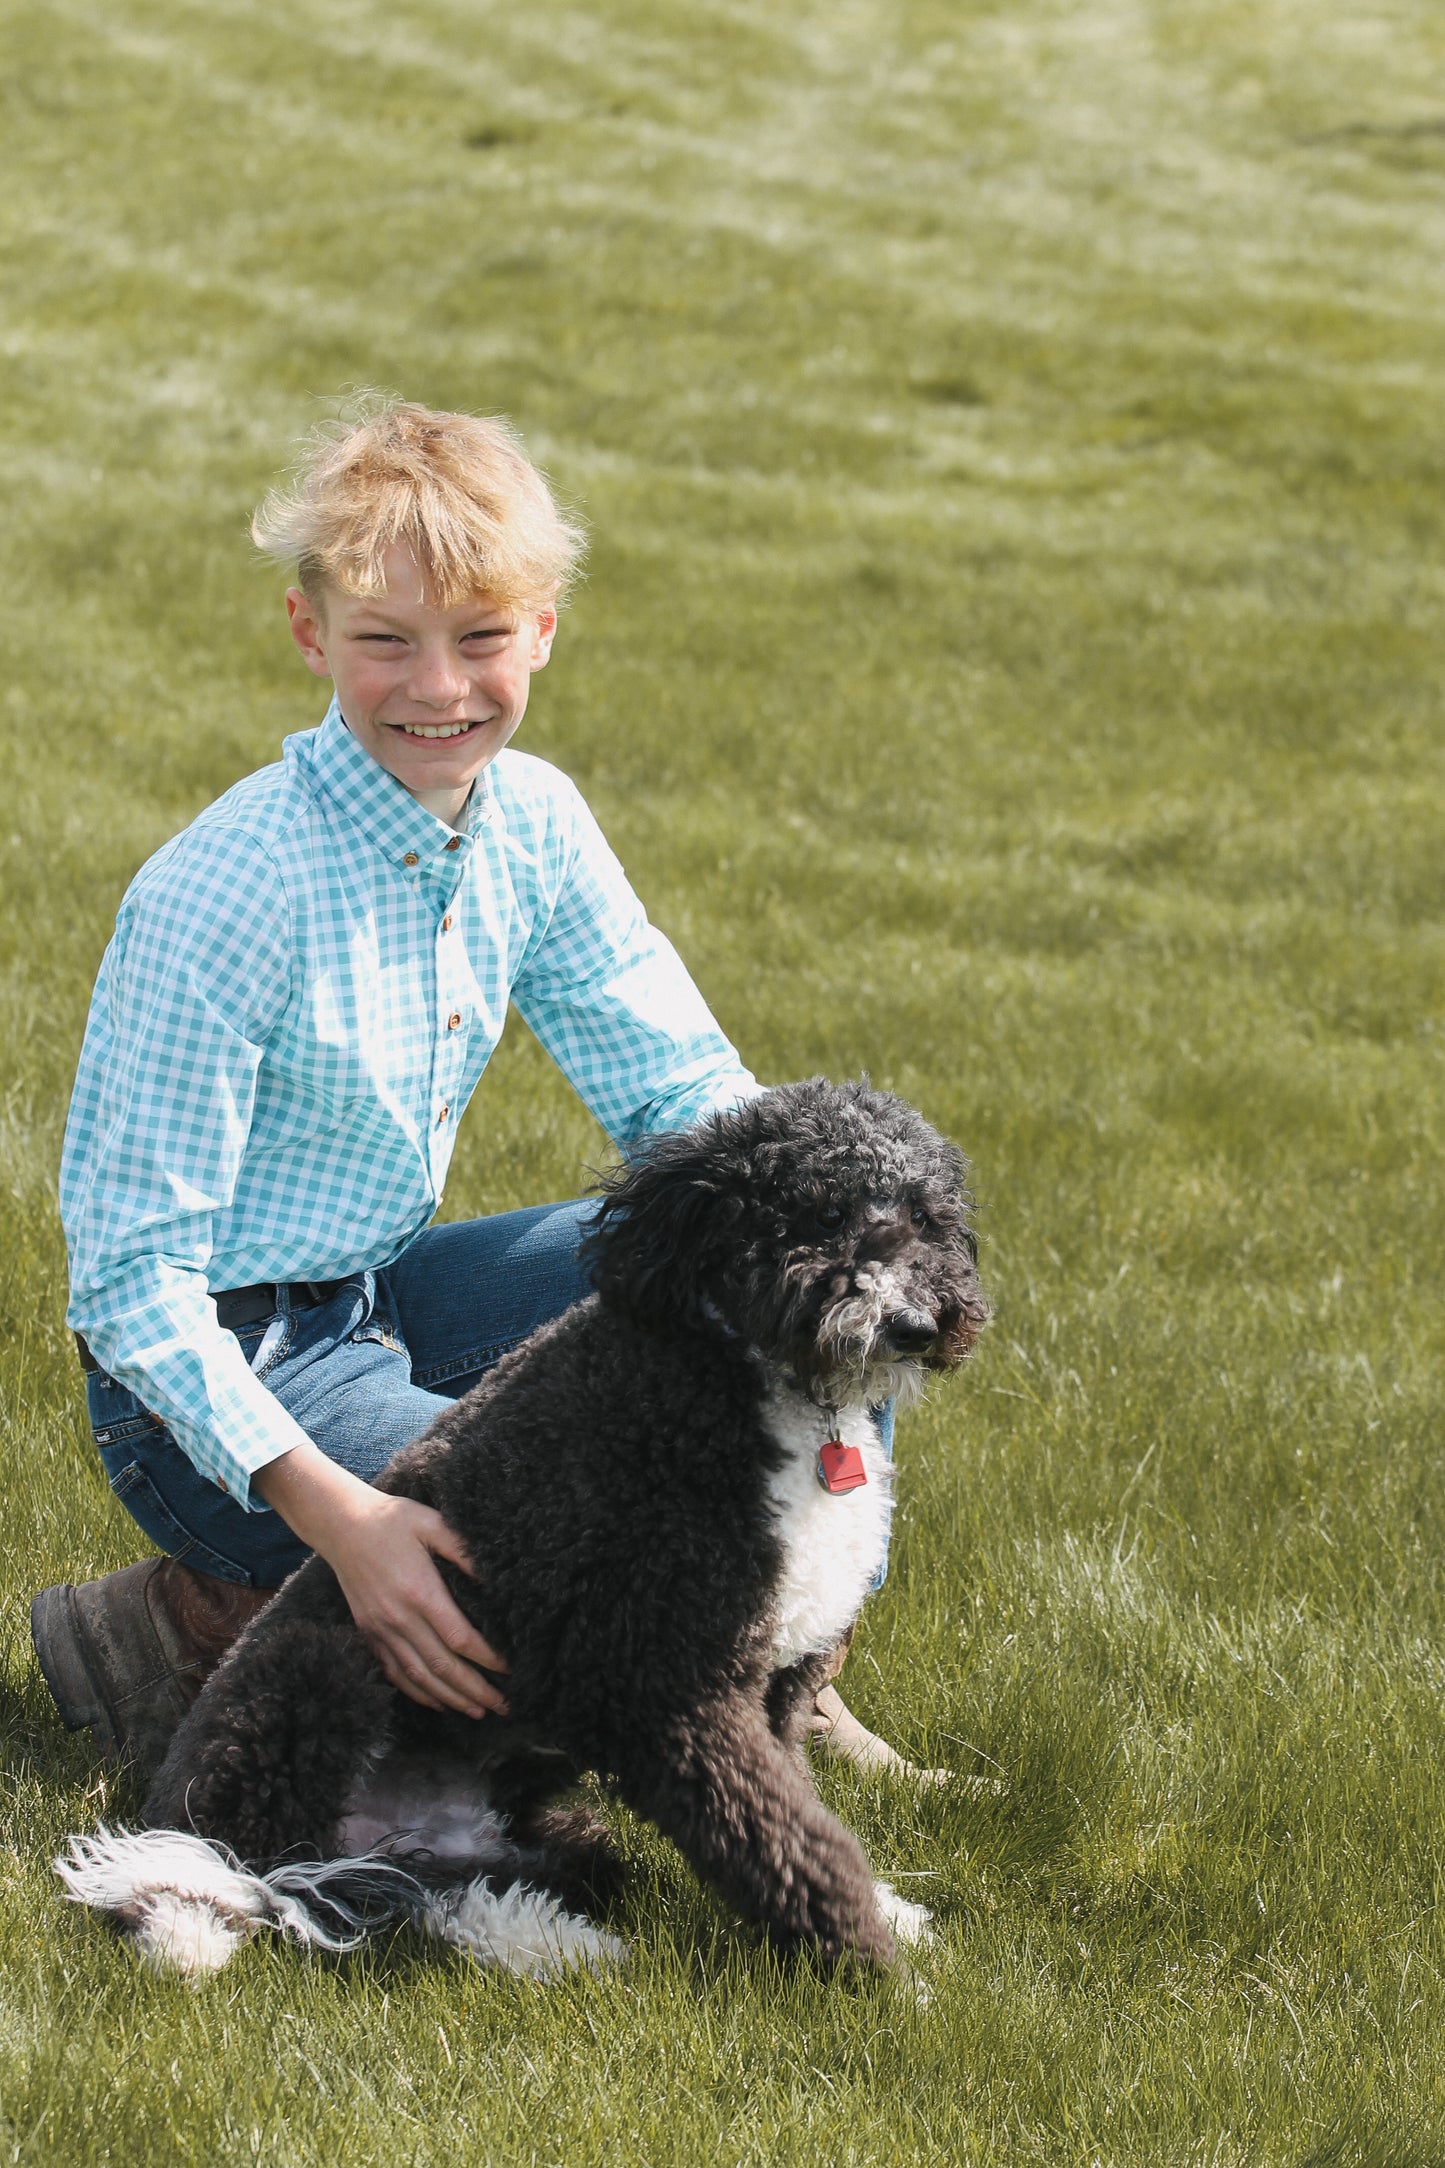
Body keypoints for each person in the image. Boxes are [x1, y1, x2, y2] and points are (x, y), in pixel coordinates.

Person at [30, 398, 915, 1779]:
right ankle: (194, 1620)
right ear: (310, 634)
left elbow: (679, 1088)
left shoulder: (535, 823)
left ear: (543, 631)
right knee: (559, 1520)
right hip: (208, 1390)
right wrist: (344, 1520)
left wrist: (814, 1247)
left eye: (480, 639)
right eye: (385, 641)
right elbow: (133, 1284)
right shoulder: (225, 892)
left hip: (379, 1297)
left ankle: (786, 1672)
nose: (438, 686)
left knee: (810, 1288)